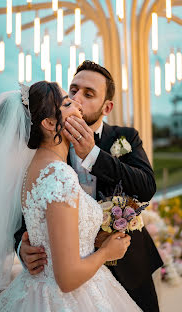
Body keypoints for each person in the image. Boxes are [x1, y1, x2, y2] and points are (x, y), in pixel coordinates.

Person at [0, 81, 142, 312]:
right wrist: (106, 253)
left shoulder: (33, 169)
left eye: (86, 94)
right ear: (50, 123)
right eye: (67, 102)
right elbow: (67, 278)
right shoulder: (59, 174)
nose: (77, 103)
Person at [16, 61, 163, 312]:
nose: (77, 99)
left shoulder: (125, 137)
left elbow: (146, 186)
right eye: (72, 90)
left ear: (107, 107)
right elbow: (30, 203)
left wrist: (93, 155)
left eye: (88, 93)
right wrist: (21, 245)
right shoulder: (44, 150)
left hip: (127, 269)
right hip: (66, 280)